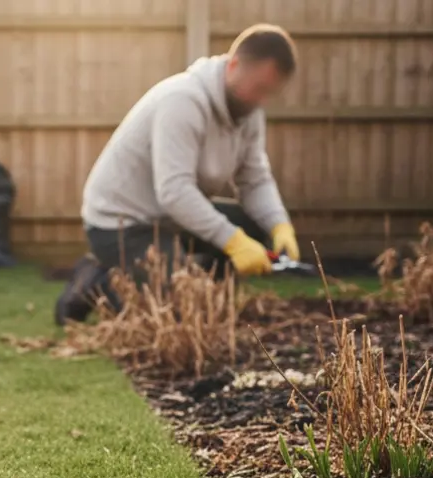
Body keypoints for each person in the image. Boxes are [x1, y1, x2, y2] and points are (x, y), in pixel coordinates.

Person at [55, 23, 303, 325]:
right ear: (235, 65)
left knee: (252, 226)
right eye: (260, 88)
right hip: (120, 224)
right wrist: (233, 242)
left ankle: (208, 297)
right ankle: (97, 280)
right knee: (177, 312)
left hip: (168, 218)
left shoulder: (248, 112)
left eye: (271, 93)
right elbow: (174, 191)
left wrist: (280, 227)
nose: (263, 100)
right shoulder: (182, 101)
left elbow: (254, 179)